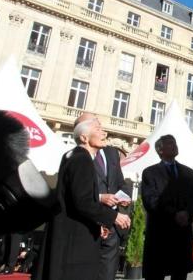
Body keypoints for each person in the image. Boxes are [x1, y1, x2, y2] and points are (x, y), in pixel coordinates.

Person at [40, 116, 131, 280]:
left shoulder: (78, 157)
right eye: (98, 129)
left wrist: (96, 224)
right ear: (84, 137)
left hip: (78, 232)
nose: (104, 133)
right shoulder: (82, 159)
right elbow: (83, 201)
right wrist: (114, 216)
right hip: (74, 242)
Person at [72, 113, 132, 280]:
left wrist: (124, 197)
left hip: (113, 225)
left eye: (99, 123)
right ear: (83, 133)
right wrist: (100, 197)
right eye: (95, 125)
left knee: (107, 273)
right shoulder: (77, 157)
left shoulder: (112, 153)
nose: (101, 127)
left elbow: (120, 182)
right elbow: (77, 194)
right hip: (88, 223)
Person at [141, 135, 193, 280]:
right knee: (156, 274)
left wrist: (187, 213)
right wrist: (175, 214)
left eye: (175, 142)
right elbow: (151, 200)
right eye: (169, 143)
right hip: (160, 235)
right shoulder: (150, 172)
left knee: (180, 274)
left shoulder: (188, 172)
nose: (174, 145)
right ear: (160, 150)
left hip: (181, 235)